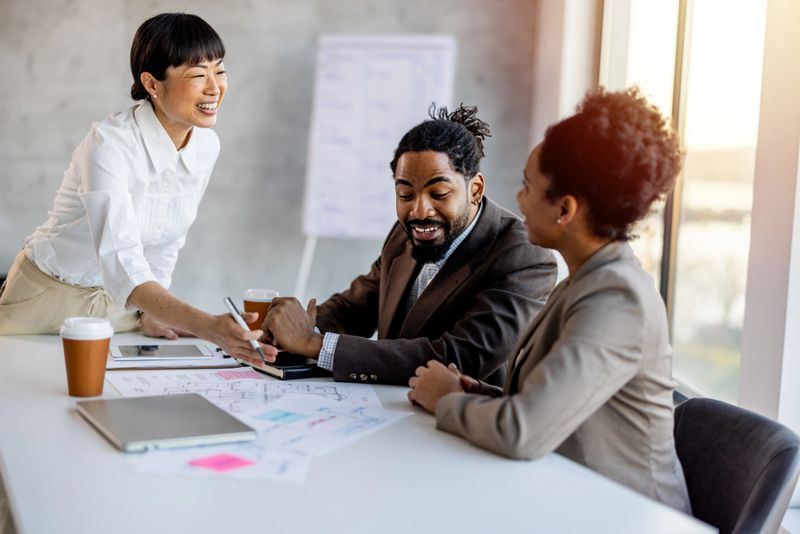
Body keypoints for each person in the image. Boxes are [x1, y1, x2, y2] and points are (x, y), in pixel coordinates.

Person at [408, 88, 692, 512]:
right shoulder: (587, 278)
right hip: (569, 495)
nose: (518, 198)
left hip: (627, 516)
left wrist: (447, 401)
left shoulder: (618, 298)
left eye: (527, 185)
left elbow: (522, 431)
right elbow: (550, 403)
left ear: (565, 209)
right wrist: (474, 391)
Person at [0, 13, 274, 361]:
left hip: (120, 308)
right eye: (196, 75)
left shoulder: (206, 145)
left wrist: (152, 313)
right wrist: (208, 325)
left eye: (219, 71)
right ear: (152, 84)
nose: (214, 88)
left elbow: (167, 239)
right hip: (44, 299)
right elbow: (120, 258)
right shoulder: (109, 145)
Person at [252, 105, 557, 385]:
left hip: (459, 428)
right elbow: (353, 309)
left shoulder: (524, 254)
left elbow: (461, 357)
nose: (420, 211)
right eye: (405, 195)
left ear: (474, 189)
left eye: (438, 194)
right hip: (389, 413)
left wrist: (312, 343)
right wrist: (290, 330)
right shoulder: (404, 235)